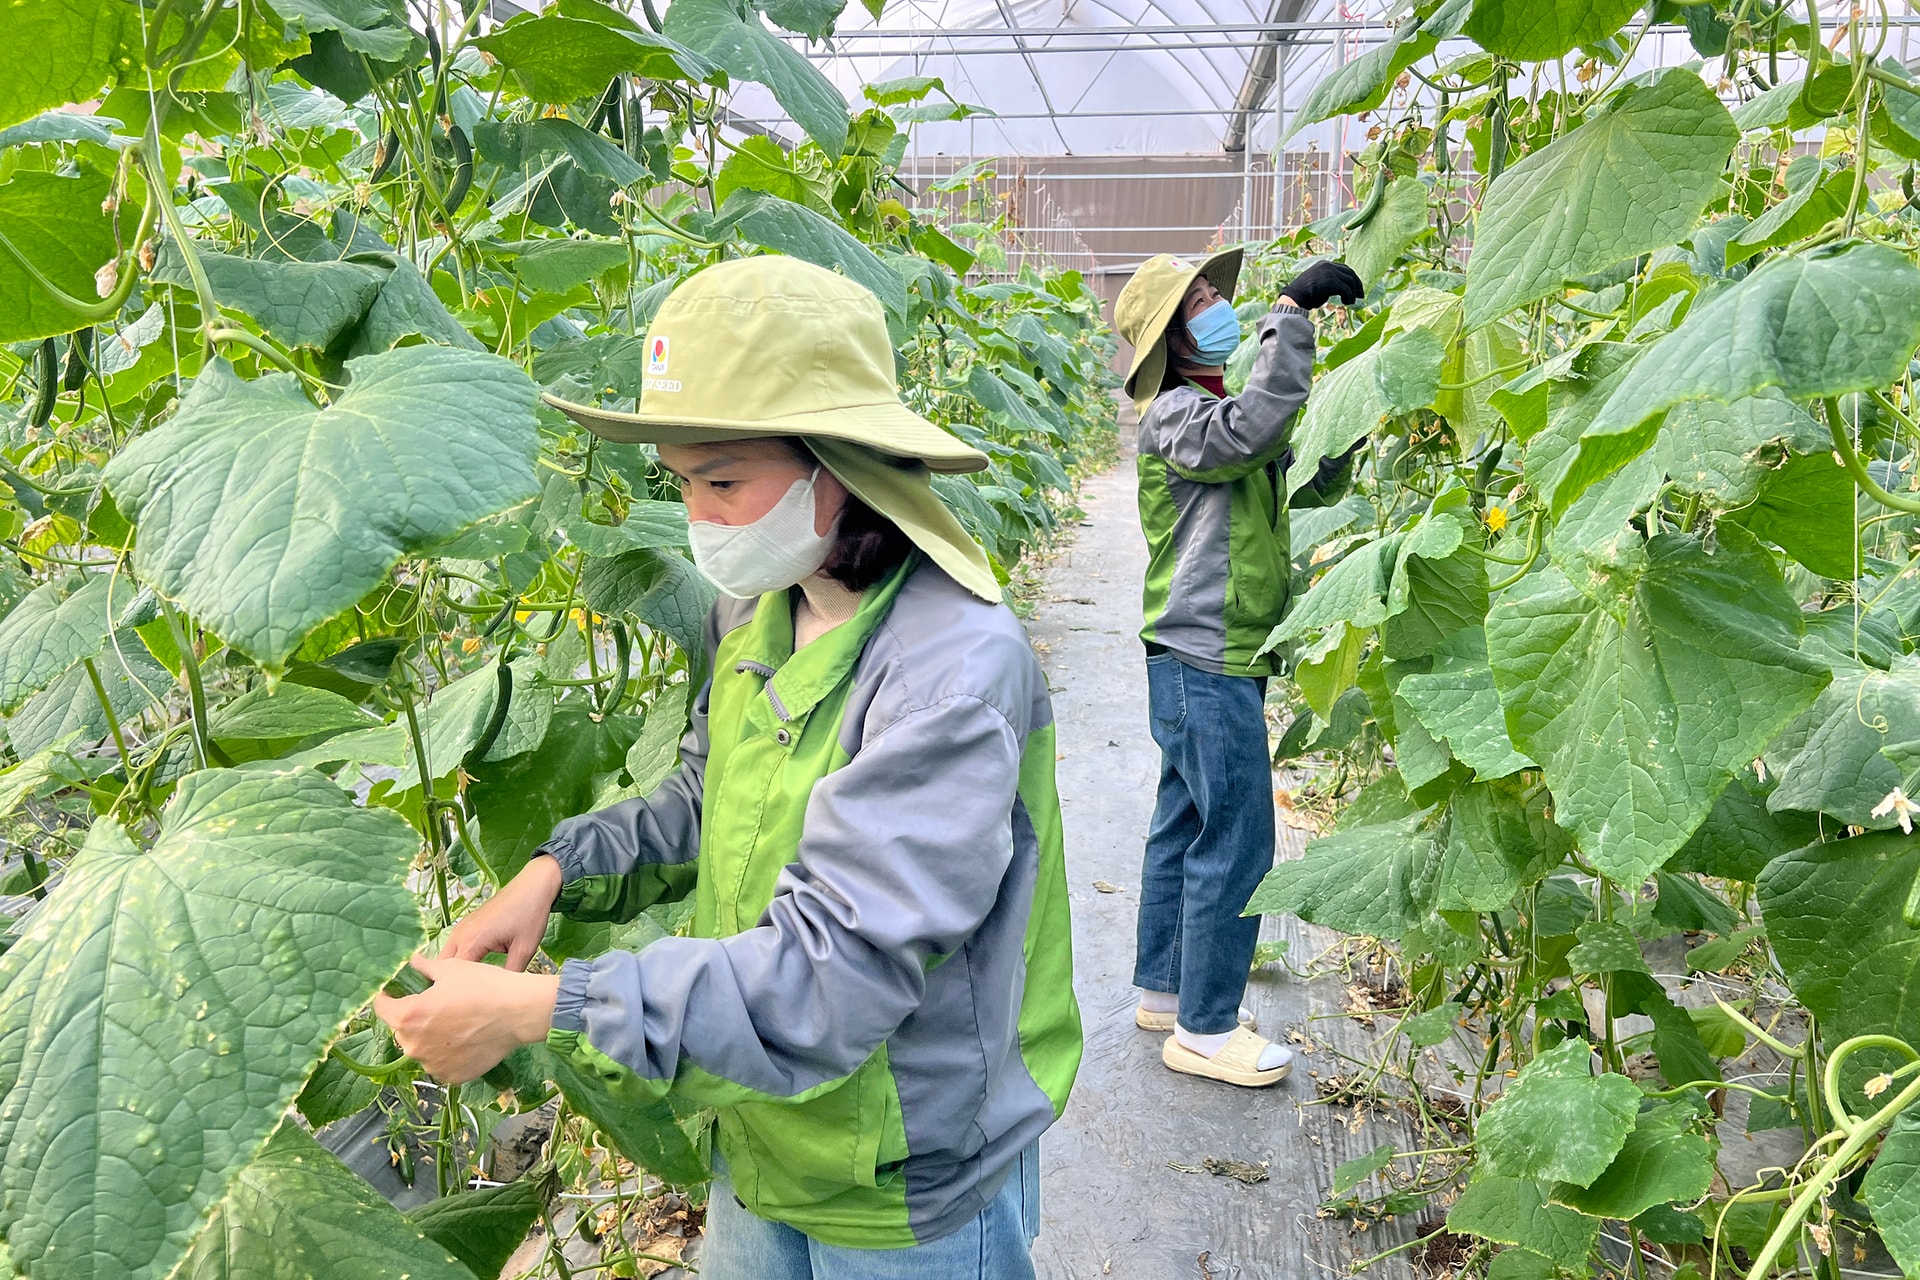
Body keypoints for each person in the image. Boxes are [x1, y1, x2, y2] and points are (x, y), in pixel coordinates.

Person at [375, 256, 1082, 1278]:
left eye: (723, 479)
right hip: (759, 1126)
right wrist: (558, 867)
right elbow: (711, 794)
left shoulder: (952, 672)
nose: (699, 518)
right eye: (682, 482)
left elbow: (829, 981)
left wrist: (543, 1006)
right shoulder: (762, 605)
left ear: (846, 465)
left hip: (903, 1175)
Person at [1112, 252, 1363, 1088]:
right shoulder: (1177, 416)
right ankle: (1207, 1030)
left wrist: (1349, 433)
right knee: (1239, 835)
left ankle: (1166, 991)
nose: (1218, 304)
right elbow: (1254, 433)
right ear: (1171, 341)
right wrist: (1290, 312)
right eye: (1199, 301)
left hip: (1215, 650)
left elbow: (1279, 467)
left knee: (1186, 824)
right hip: (1203, 653)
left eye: (1215, 291)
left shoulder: (1214, 410)